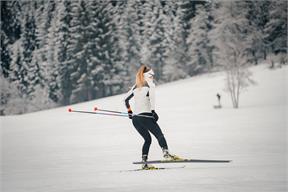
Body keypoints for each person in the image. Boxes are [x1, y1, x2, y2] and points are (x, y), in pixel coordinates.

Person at [124, 65, 180, 169]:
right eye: (151, 75)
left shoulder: (136, 86)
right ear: (147, 75)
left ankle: (144, 163)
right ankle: (166, 153)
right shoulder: (150, 85)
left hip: (136, 119)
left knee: (147, 139)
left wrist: (129, 112)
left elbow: (125, 99)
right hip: (146, 116)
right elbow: (152, 99)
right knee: (159, 135)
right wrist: (153, 112)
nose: (153, 76)